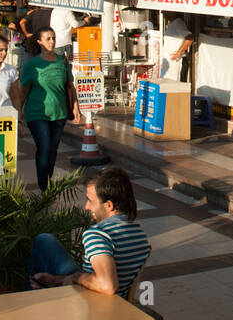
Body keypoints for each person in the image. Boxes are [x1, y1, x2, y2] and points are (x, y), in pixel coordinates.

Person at [29, 167, 152, 296]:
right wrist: (57, 280)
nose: (86, 207)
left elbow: (108, 285)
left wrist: (77, 277)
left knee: (43, 240)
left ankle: (26, 297)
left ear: (109, 205)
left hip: (89, 305)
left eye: (90, 200)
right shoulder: (140, 235)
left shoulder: (97, 235)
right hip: (115, 303)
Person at [19, 28, 81, 189]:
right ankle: (43, 185)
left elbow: (70, 86)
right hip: (37, 113)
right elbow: (23, 91)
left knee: (53, 149)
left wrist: (75, 106)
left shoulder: (62, 61)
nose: (52, 42)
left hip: (59, 112)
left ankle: (47, 176)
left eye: (53, 38)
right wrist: (18, 115)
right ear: (39, 42)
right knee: (45, 146)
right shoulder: (32, 65)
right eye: (48, 39)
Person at [158, 16, 192, 82]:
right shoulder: (172, 24)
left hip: (176, 62)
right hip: (168, 64)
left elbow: (190, 38)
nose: (163, 12)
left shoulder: (178, 23)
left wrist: (179, 52)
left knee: (175, 86)